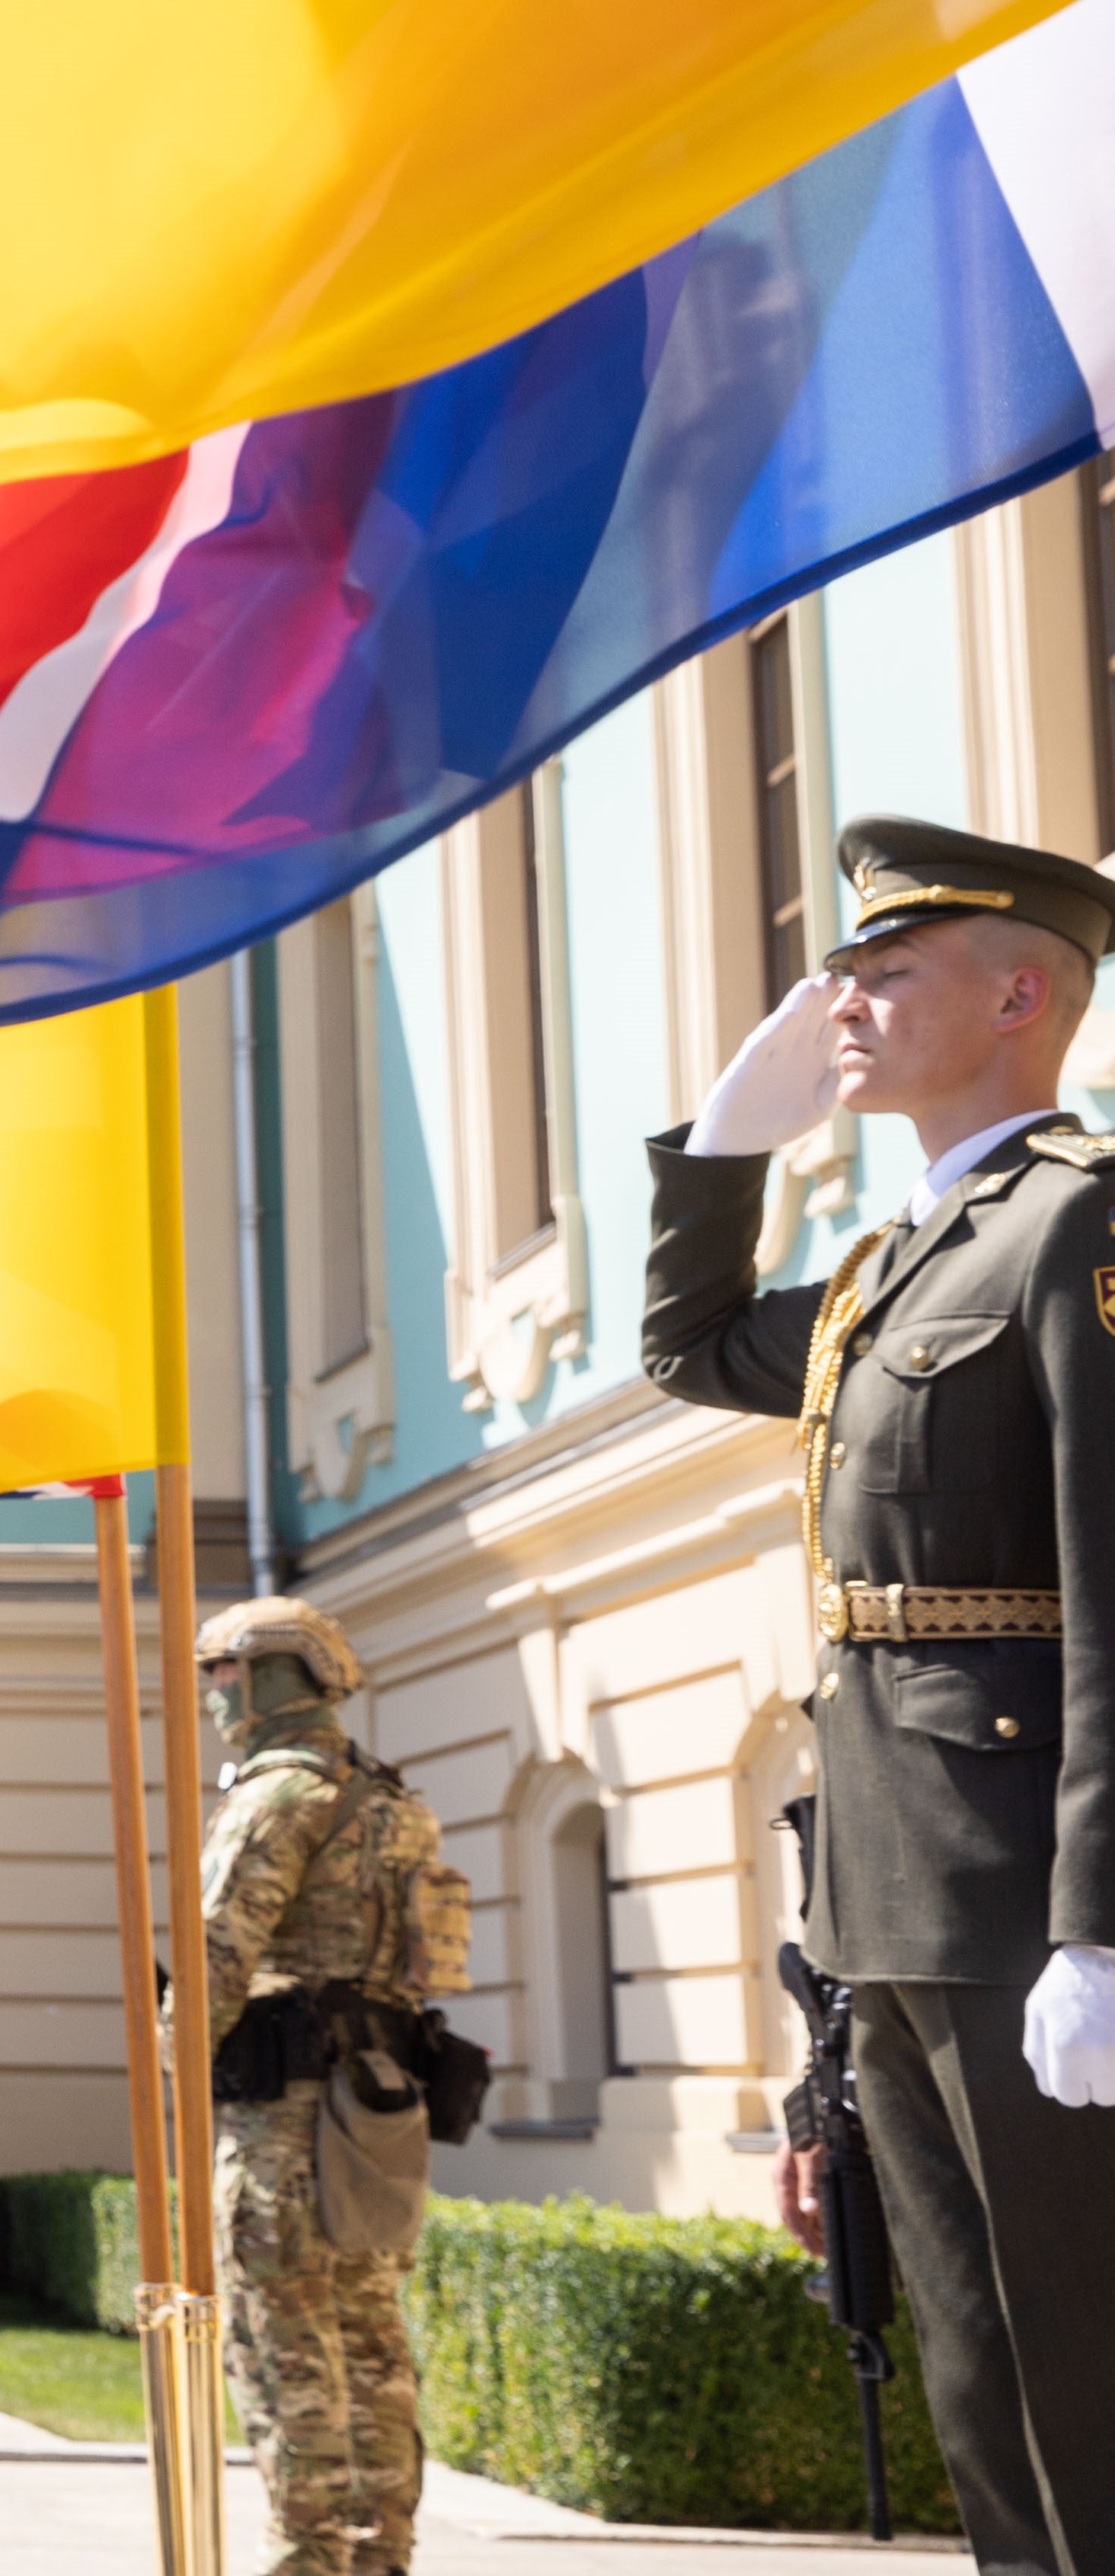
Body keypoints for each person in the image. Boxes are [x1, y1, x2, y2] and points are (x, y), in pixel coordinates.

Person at [644, 813, 1115, 2569]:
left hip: (1023, 1904)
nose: (841, 1000)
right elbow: (687, 1347)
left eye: (883, 970)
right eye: (839, 973)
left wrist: (1101, 1922)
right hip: (894, 1892)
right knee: (976, 2376)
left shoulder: (1073, 1228)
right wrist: (722, 1141)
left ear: (1017, 993)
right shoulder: (887, 1269)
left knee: (1084, 2375)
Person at [193, 1595, 460, 2576]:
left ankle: (305, 2561)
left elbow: (214, 1960)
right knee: (373, 2353)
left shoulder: (274, 1798)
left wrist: (169, 2085)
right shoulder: (396, 1801)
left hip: (283, 2127)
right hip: (376, 2116)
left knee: (285, 2359)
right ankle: (377, 2555)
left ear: (270, 1675)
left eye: (220, 1670)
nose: (212, 1694)